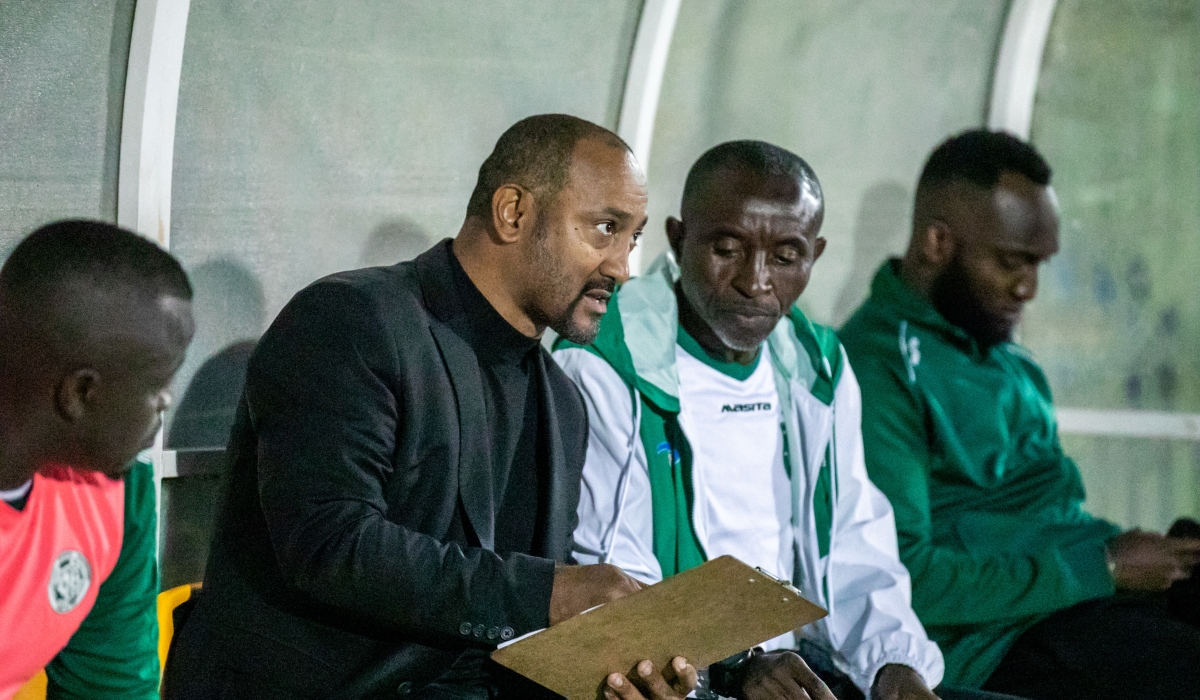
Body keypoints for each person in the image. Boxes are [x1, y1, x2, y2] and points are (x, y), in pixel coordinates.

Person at [165, 114, 698, 700]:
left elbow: (518, 635)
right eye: (604, 228)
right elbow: (330, 544)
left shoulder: (562, 402)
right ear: (512, 212)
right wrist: (547, 593)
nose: (621, 267)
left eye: (632, 239)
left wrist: (612, 676)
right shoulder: (350, 319)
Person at [554, 141, 1018, 700]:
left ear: (814, 255)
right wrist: (737, 665)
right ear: (678, 240)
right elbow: (614, 581)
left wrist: (894, 665)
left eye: (785, 257)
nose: (755, 281)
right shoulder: (609, 361)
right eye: (727, 248)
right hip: (684, 679)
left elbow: (853, 540)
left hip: (794, 666)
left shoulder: (815, 363)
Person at [839, 129, 1200, 699]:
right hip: (998, 640)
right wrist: (1101, 567)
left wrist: (1142, 557)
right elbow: (908, 576)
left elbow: (1050, 515)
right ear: (937, 242)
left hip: (1080, 599)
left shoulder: (1007, 357)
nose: (1028, 288)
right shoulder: (877, 369)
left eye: (1039, 264)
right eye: (1012, 262)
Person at [0, 220, 195, 699]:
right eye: (157, 385)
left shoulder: (117, 493)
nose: (168, 402)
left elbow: (110, 688)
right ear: (82, 393)